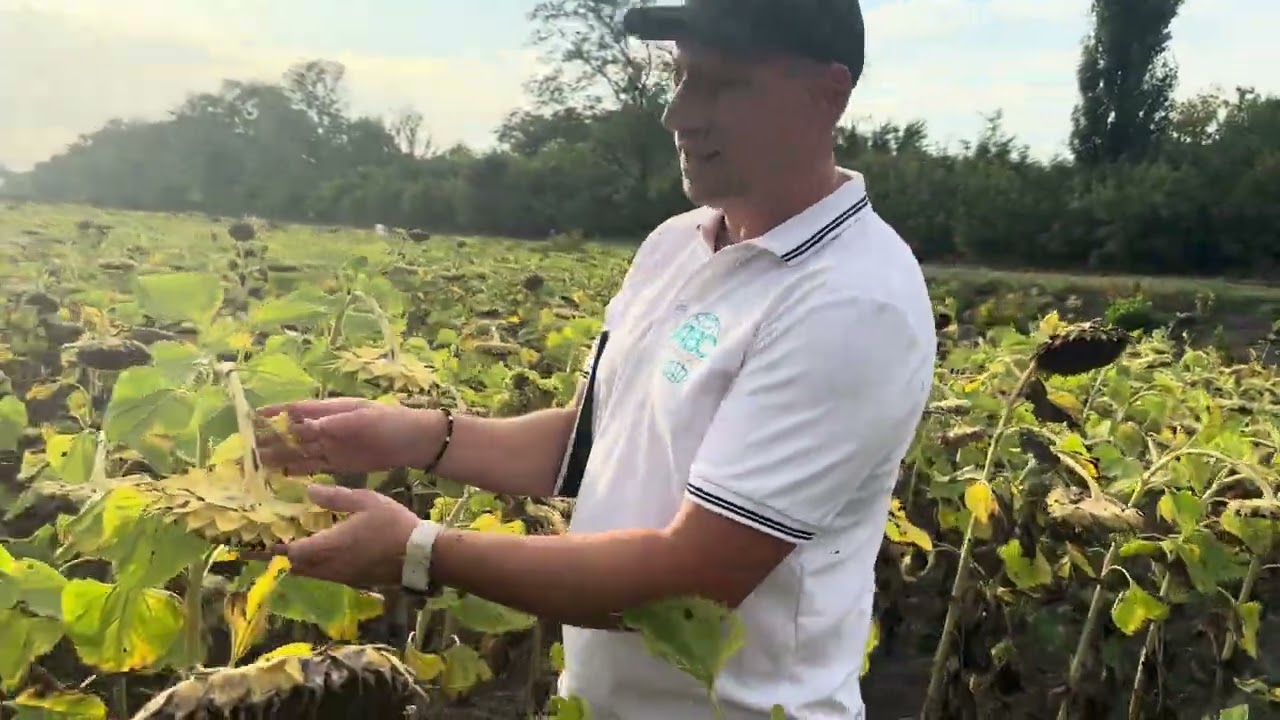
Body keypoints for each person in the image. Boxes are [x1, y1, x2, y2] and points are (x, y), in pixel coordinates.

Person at [253, 0, 937, 717]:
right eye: (679, 76)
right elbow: (594, 441)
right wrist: (414, 436)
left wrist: (421, 550)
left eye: (722, 84)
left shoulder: (852, 302)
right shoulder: (676, 244)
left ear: (826, 96)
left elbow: (694, 577)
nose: (679, 114)